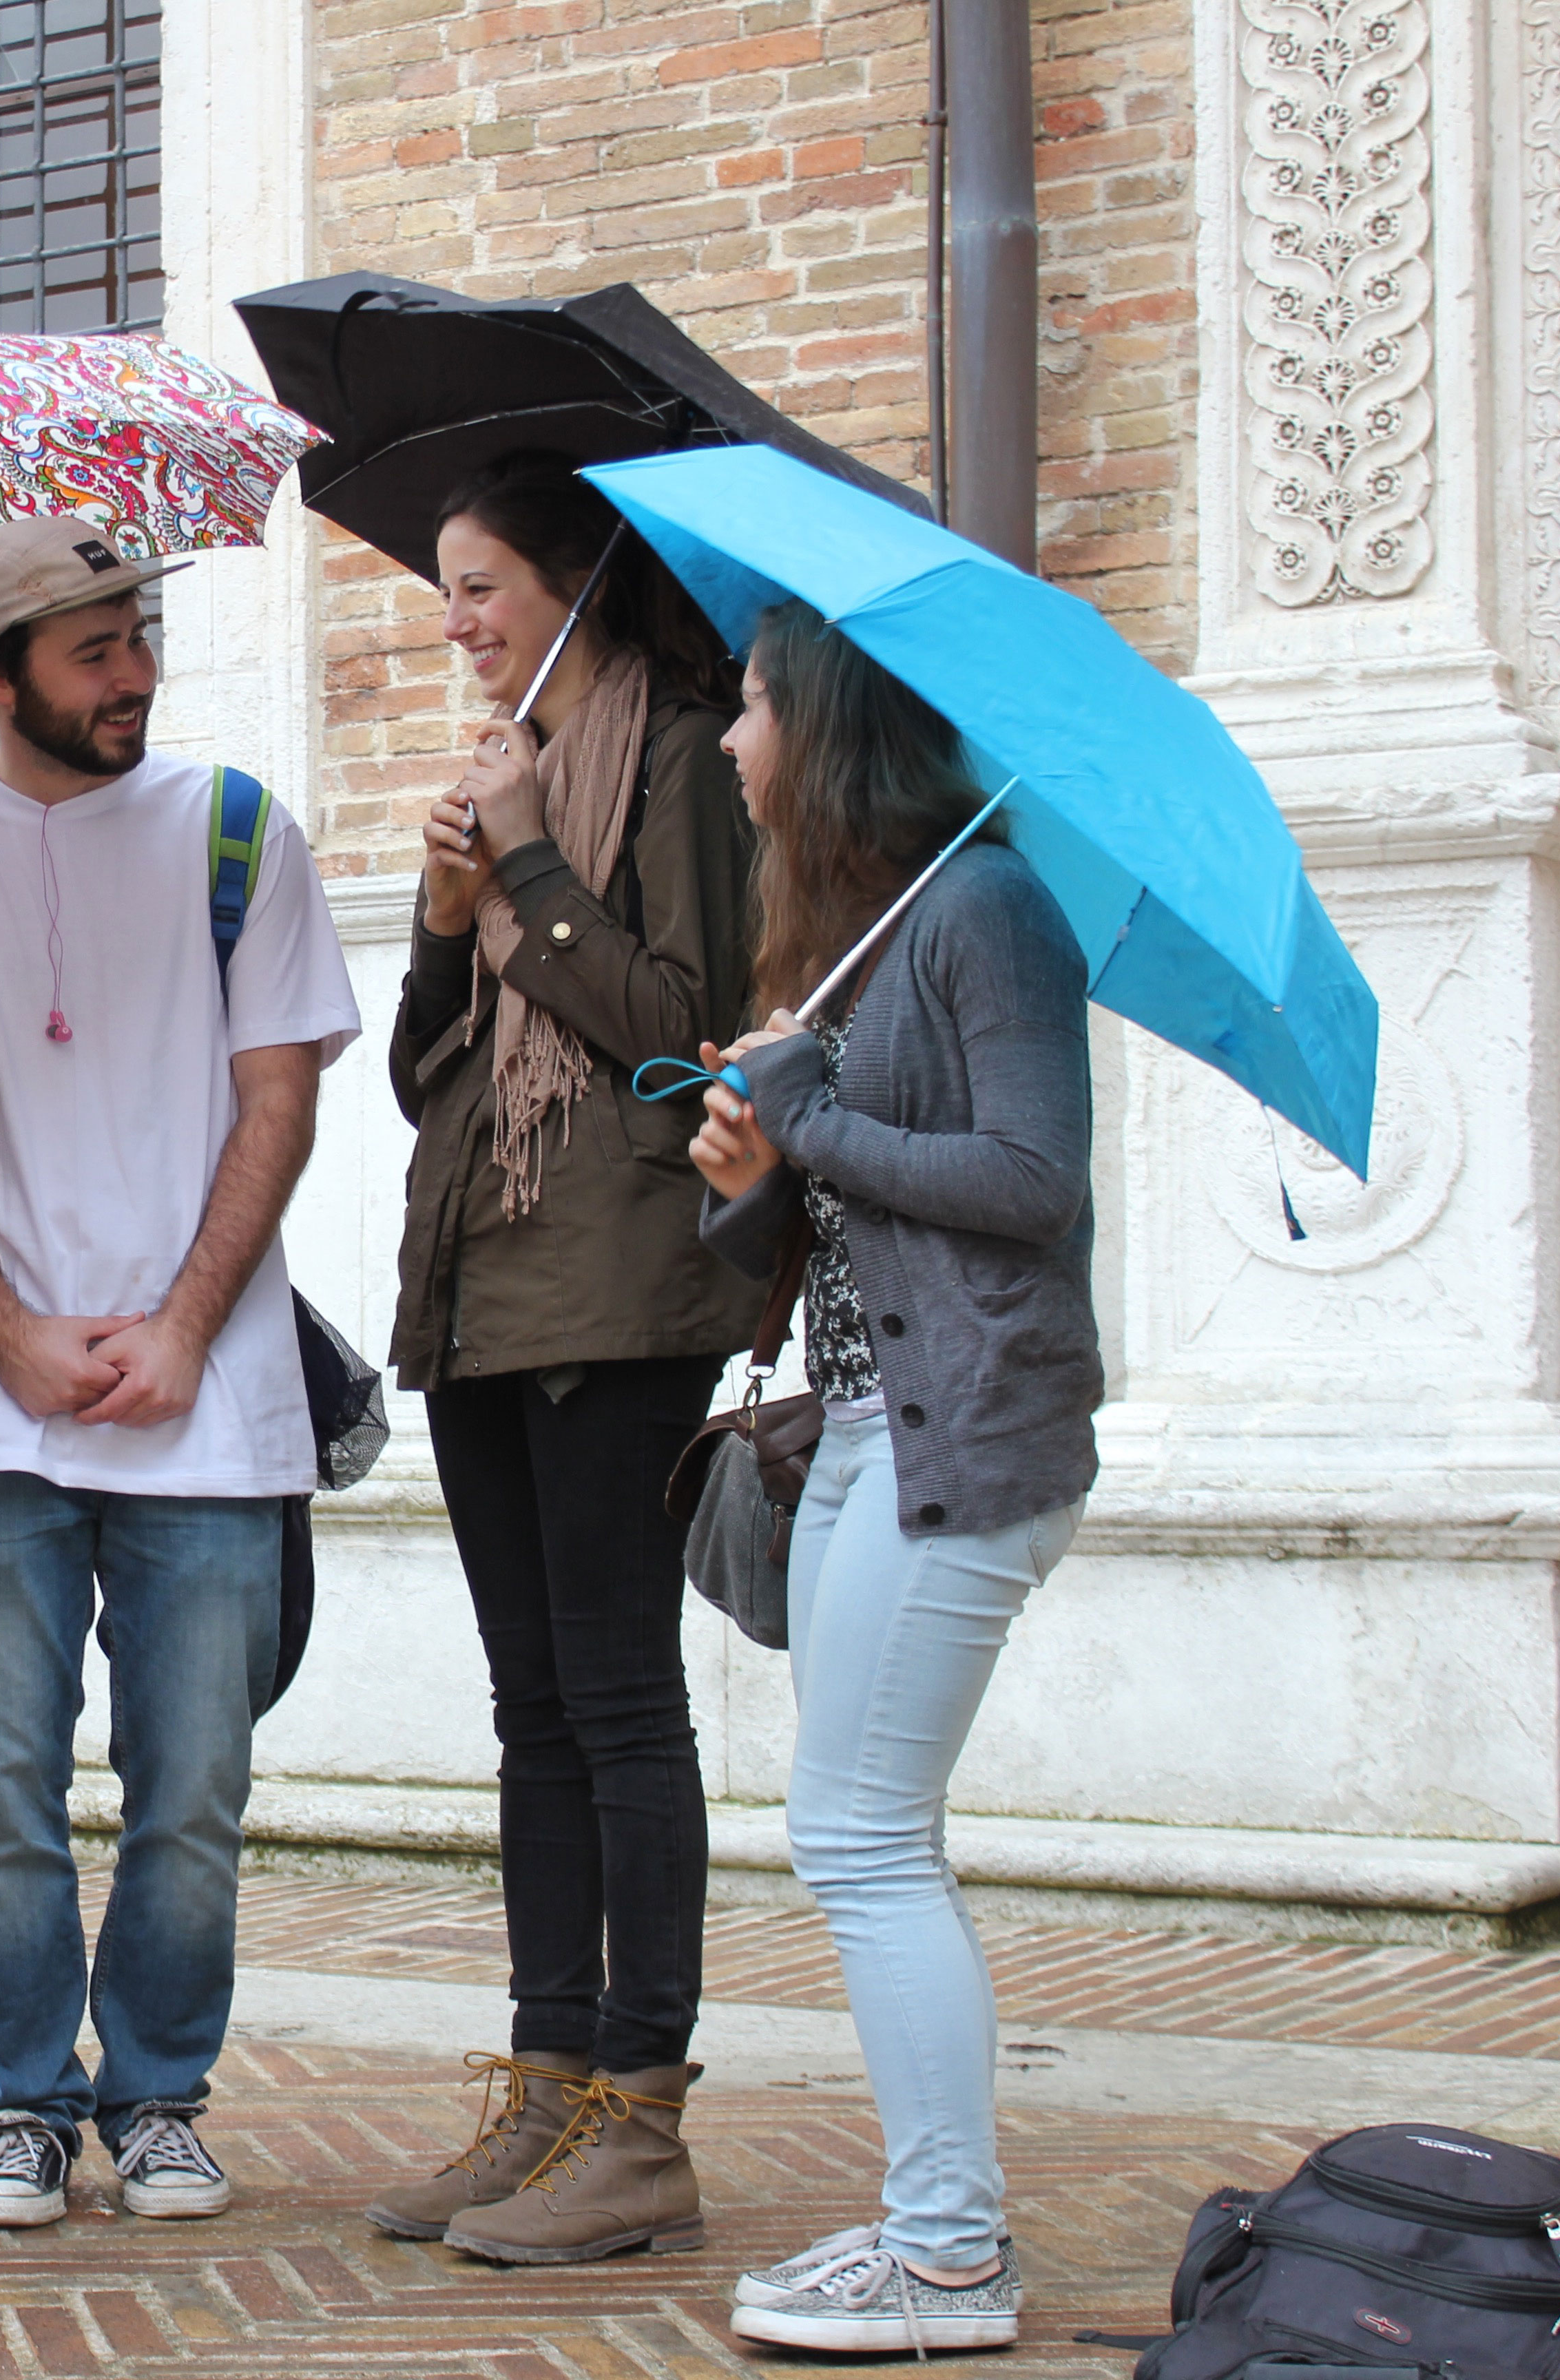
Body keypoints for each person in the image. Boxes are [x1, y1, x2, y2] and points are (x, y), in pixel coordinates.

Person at [0, 516, 362, 2233]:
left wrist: (184, 1325)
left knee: (194, 1785)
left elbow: (281, 1099)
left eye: (135, 635)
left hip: (207, 1400)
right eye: (91, 650)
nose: (133, 673)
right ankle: (20, 2097)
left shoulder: (236, 832)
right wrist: (7, 1336)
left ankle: (157, 2094)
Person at [686, 601, 1101, 2354]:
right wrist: (753, 1162)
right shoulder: (865, 937)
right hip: (865, 1433)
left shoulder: (986, 908)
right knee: (860, 1835)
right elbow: (826, 1229)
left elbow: (1034, 1180)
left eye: (751, 705)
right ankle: (936, 2234)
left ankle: (949, 2255)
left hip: (965, 1445)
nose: (728, 740)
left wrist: (816, 1111)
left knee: (858, 1840)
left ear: (827, 723)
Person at [364, 453, 761, 2264]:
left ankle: (641, 2116)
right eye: (445, 590)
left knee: (616, 1702)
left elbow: (685, 1031)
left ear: (578, 592)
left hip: (619, 1290)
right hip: (478, 1282)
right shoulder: (494, 778)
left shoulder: (677, 754)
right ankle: (543, 2092)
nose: (455, 622)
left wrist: (526, 855)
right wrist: (453, 919)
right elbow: (423, 1071)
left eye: (482, 586)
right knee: (531, 1712)